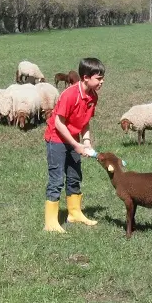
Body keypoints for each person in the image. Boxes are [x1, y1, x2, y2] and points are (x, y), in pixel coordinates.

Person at [43, 57, 106, 232]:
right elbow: (58, 123)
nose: (102, 82)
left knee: (75, 176)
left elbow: (85, 122)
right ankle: (50, 223)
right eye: (99, 78)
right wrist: (75, 144)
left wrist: (86, 142)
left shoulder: (93, 96)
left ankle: (74, 214)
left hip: (73, 140)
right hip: (56, 139)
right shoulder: (69, 95)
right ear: (86, 77)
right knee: (56, 180)